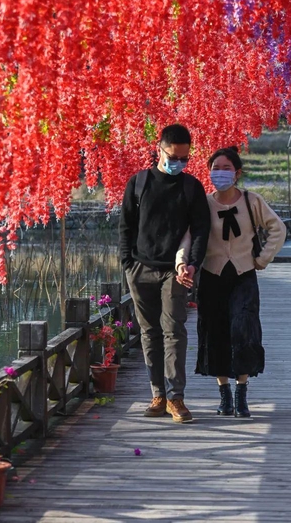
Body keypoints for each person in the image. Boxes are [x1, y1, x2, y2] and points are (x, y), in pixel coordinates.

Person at [184, 147, 286, 418]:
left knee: (244, 329)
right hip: (212, 275)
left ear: (237, 173)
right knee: (215, 331)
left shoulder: (252, 201)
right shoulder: (204, 203)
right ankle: (224, 395)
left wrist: (262, 259)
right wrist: (185, 263)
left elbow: (278, 228)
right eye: (215, 167)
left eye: (225, 168)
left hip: (243, 275)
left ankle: (242, 393)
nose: (220, 173)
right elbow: (190, 236)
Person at [119, 123, 211, 424]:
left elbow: (200, 231)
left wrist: (193, 264)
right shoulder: (138, 183)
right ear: (159, 149)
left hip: (175, 271)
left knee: (174, 333)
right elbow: (126, 227)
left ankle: (175, 397)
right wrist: (127, 264)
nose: (179, 164)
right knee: (149, 333)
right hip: (141, 268)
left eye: (184, 159)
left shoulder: (191, 187)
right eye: (174, 157)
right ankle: (157, 393)